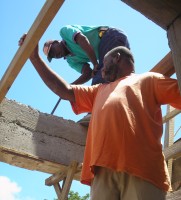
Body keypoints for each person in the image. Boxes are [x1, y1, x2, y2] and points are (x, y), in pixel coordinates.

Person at [18, 35, 181, 199]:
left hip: (143, 169)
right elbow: (65, 90)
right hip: (101, 172)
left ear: (116, 58)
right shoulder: (98, 91)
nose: (101, 70)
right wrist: (35, 58)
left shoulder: (149, 79)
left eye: (105, 63)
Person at [43, 25, 130, 85]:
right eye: (52, 56)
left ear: (56, 42)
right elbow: (88, 73)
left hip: (109, 35)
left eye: (52, 50)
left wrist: (95, 63)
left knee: (99, 81)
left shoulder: (64, 32)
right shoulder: (71, 61)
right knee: (120, 78)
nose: (55, 55)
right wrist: (70, 86)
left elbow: (82, 39)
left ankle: (96, 110)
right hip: (109, 48)